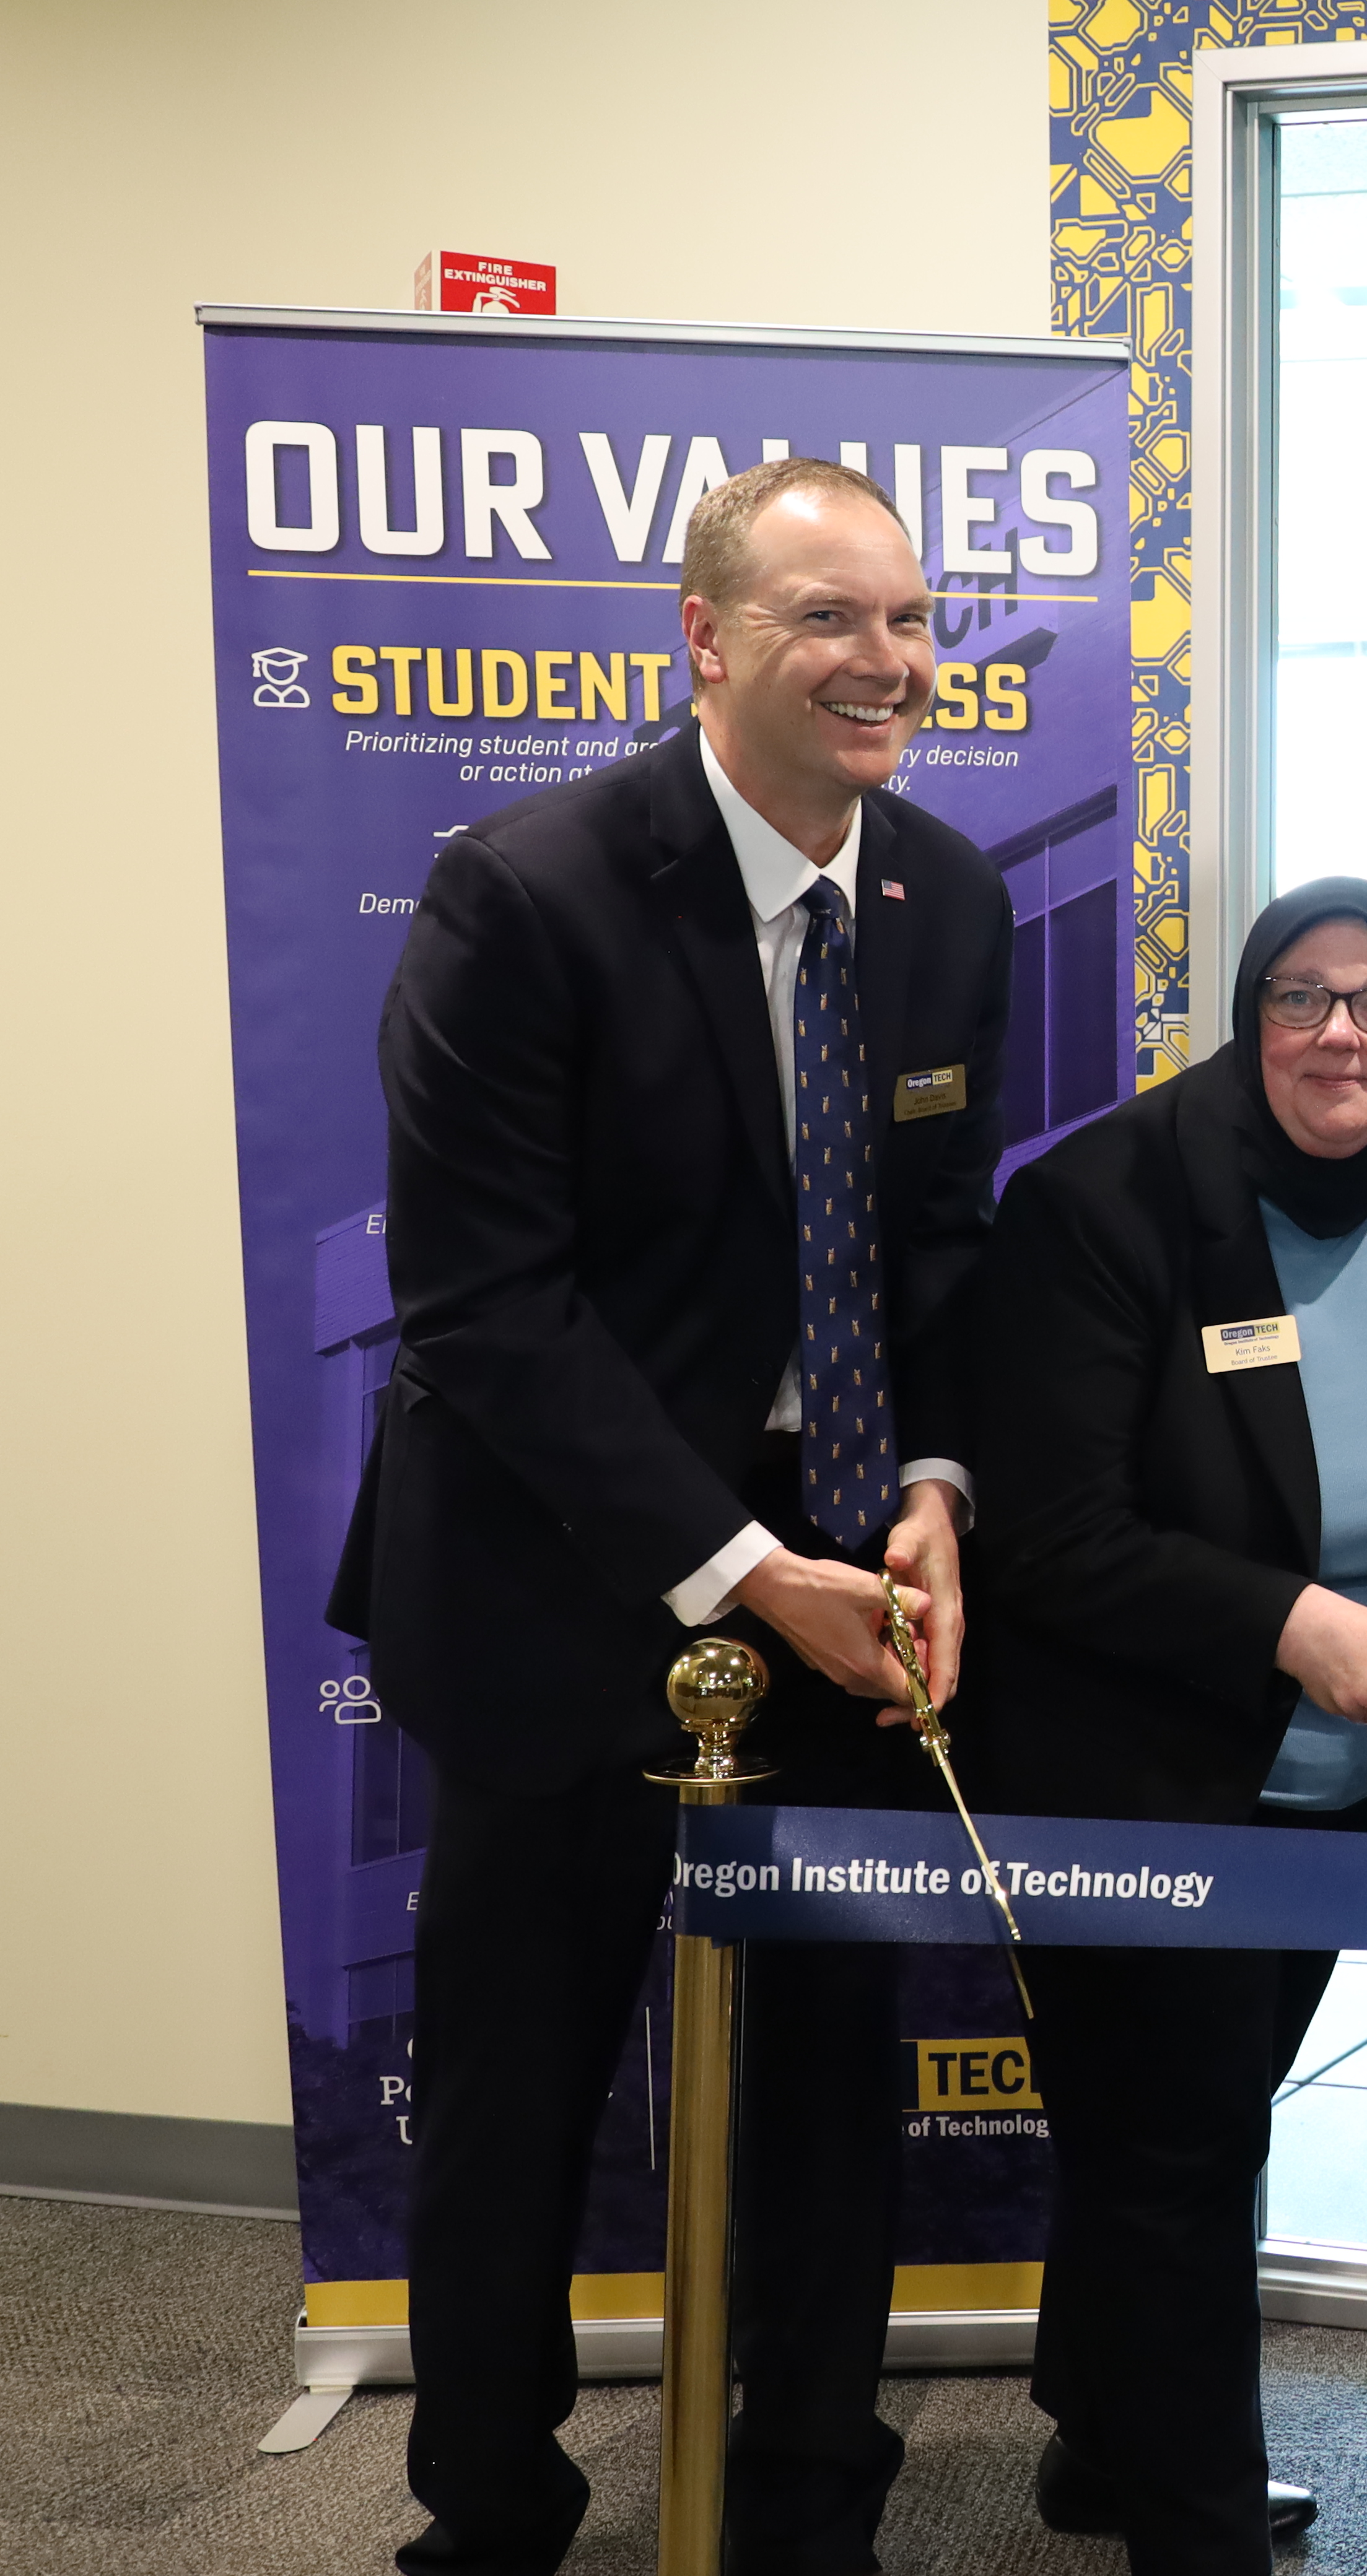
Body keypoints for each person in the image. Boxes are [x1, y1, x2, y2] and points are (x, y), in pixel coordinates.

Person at [329, 455, 1011, 2575]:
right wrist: (740, 1578)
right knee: (519, 2095)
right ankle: (493, 2513)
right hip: (561, 1594)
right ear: (705, 641)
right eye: (832, 619)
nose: (886, 660)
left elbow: (942, 1246)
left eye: (908, 618)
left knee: (825, 2082)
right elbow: (481, 1307)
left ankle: (812, 2500)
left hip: (844, 1587)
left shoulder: (952, 904)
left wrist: (924, 1495)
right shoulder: (522, 895)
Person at [968, 879, 1367, 2573]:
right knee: (1181, 2149)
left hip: (1338, 1773)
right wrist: (1293, 1624)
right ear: (1246, 1011)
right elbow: (1054, 1533)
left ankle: (1105, 2428)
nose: (1341, 1035)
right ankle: (1194, 2524)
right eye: (1301, 997)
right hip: (1131, 1774)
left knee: (1199, 2118)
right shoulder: (1104, 1204)